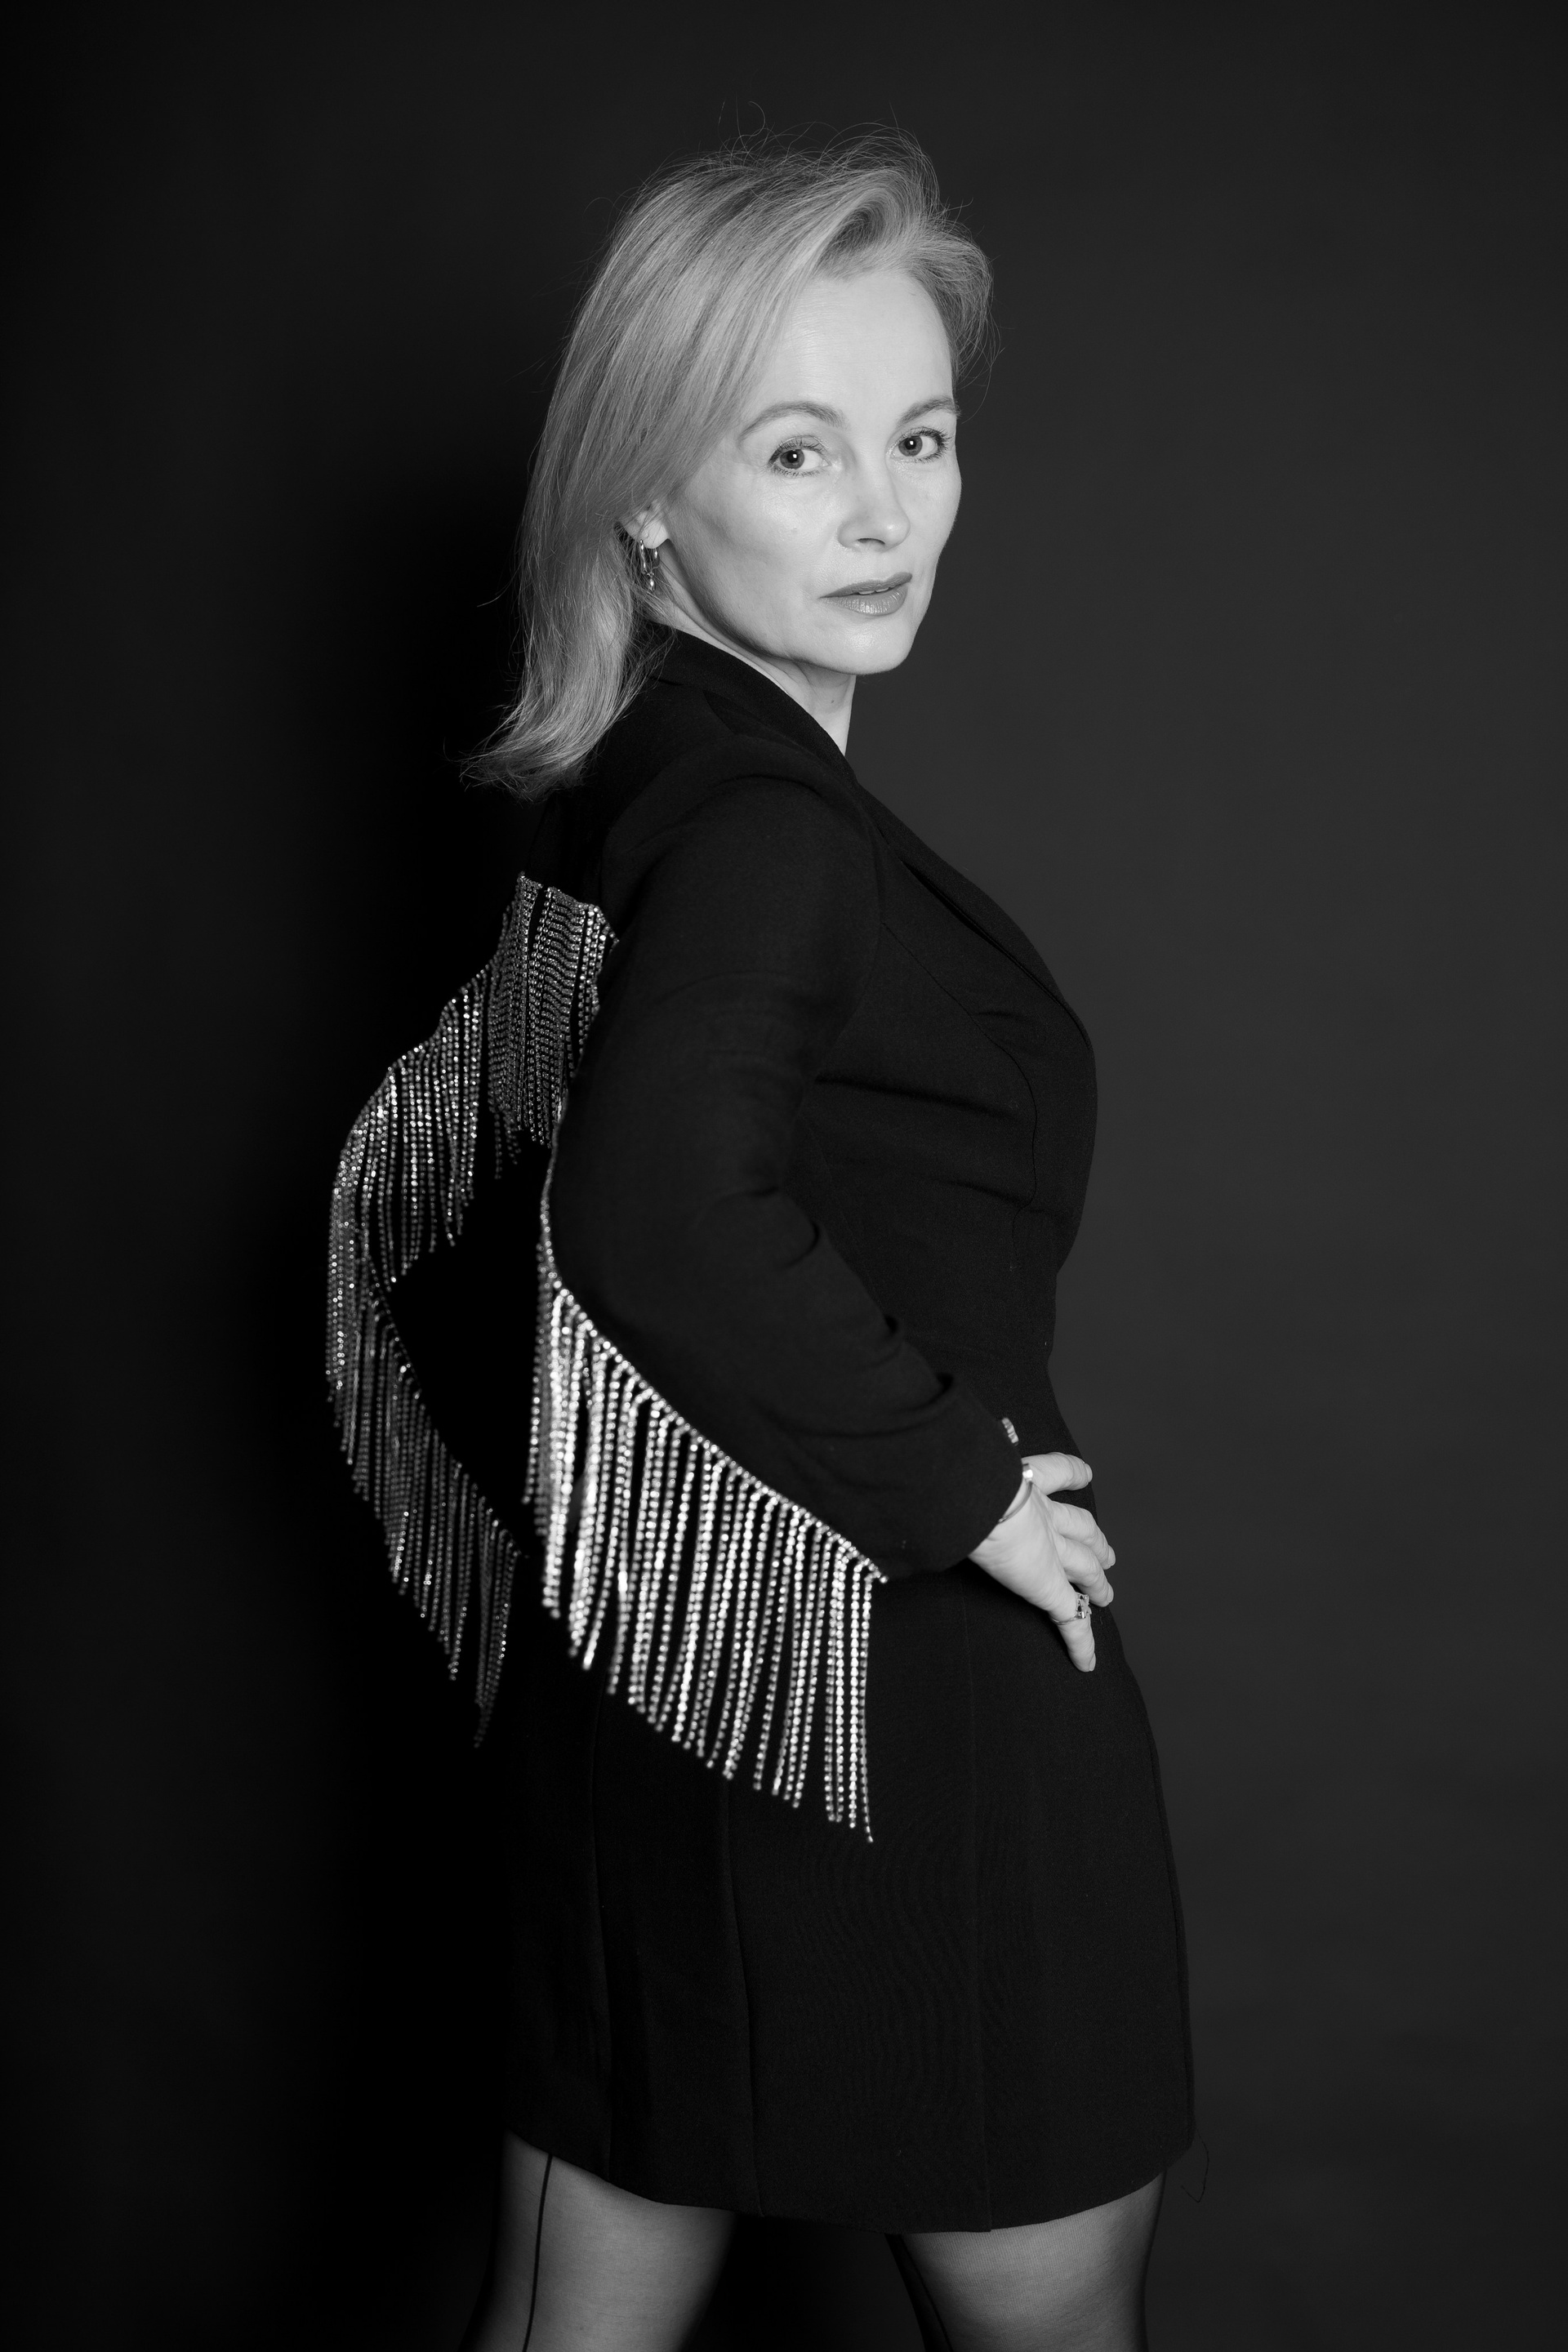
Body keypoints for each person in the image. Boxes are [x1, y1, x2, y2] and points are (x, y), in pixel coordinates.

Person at [327, 133, 1192, 2351]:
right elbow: (648, 1210)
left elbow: (438, 1224)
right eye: (799, 452)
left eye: (922, 438)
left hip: (648, 1703)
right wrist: (961, 1488)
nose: (885, 514)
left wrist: (646, 1553)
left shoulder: (629, 782)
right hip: (917, 1707)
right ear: (644, 499)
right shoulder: (762, 825)